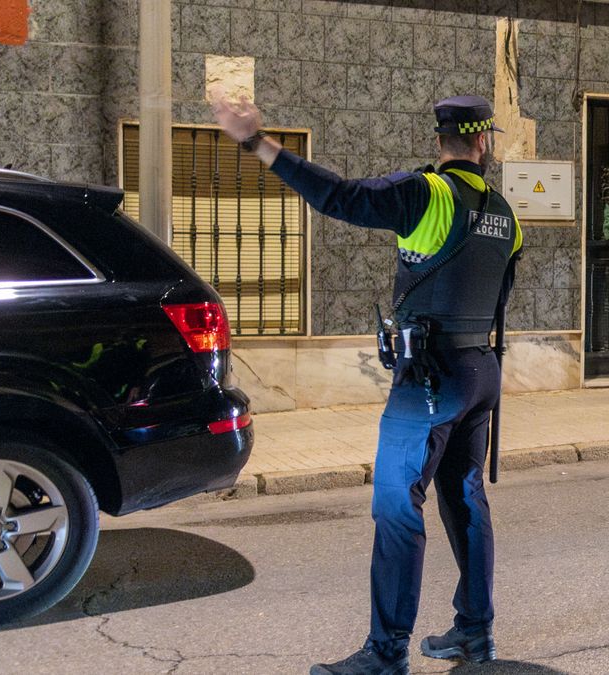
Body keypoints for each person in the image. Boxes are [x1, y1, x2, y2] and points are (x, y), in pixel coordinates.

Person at [213, 92, 523, 675]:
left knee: (396, 506)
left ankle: (385, 654)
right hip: (481, 371)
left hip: (428, 380)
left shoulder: (426, 193)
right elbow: (500, 300)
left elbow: (339, 195)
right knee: (465, 496)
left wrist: (258, 142)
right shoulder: (507, 215)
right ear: (484, 142)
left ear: (442, 141)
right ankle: (475, 633)